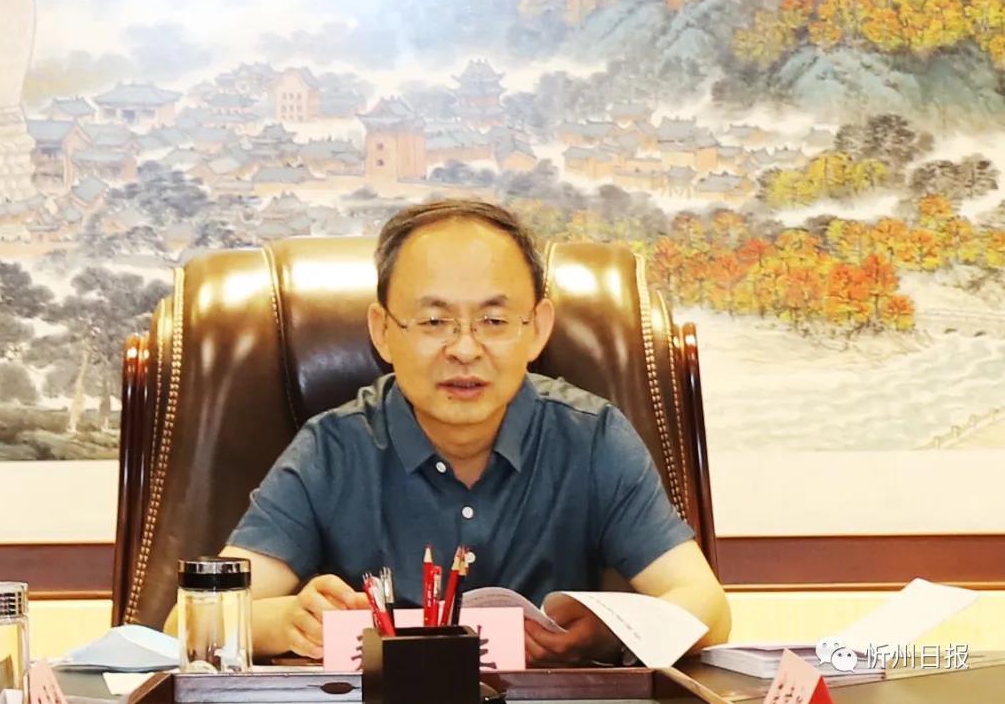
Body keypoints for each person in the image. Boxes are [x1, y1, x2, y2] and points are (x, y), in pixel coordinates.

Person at [166, 198, 730, 666]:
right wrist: (287, 621)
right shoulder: (331, 451)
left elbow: (707, 604)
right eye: (435, 321)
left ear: (537, 329)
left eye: (494, 321)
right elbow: (186, 625)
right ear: (383, 332)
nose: (464, 349)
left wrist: (608, 634)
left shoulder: (592, 438)